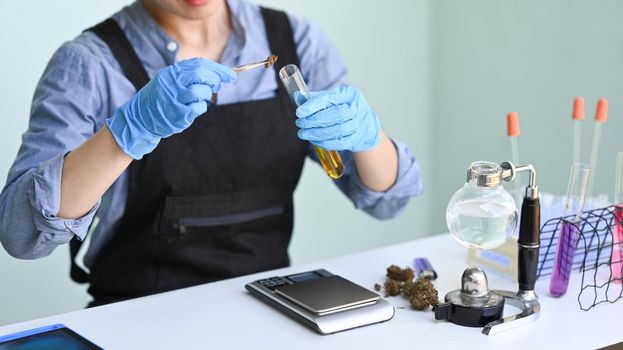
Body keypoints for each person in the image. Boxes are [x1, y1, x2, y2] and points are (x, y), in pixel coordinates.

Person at [0, 0, 423, 306]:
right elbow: (21, 236)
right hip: (138, 318)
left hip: (271, 309)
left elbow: (390, 203)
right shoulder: (89, 63)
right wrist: (127, 132)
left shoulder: (295, 41)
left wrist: (370, 138)